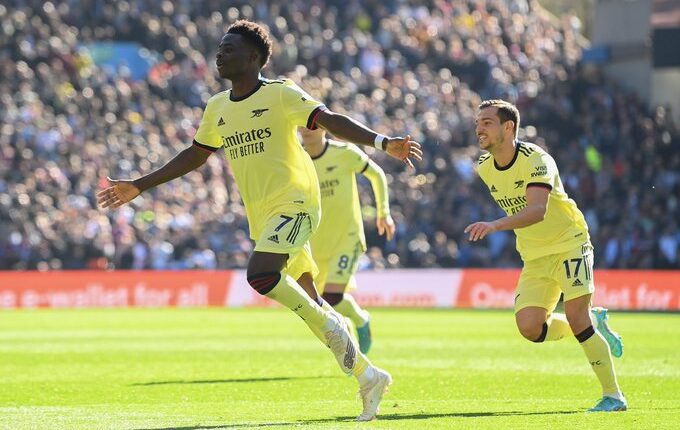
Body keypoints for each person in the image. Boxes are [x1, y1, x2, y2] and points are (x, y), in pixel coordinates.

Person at [97, 20, 422, 421]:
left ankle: (340, 330)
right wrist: (140, 185)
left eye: (229, 49)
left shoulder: (281, 93)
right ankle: (368, 375)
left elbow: (329, 119)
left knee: (261, 274)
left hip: (298, 203)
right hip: (263, 215)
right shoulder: (217, 107)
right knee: (312, 303)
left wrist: (382, 142)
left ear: (253, 57)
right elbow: (196, 155)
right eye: (219, 48)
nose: (220, 54)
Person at [464, 99, 626, 412]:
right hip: (534, 254)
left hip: (569, 243)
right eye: (478, 123)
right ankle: (595, 322)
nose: (479, 129)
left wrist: (495, 225)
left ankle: (614, 396)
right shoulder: (484, 166)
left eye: (487, 122)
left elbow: (537, 210)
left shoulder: (537, 159)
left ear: (508, 127)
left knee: (577, 318)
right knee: (530, 327)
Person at [300, 126, 395, 354]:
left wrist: (383, 212)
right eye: (302, 124)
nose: (307, 129)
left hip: (347, 238)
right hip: (314, 243)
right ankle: (351, 337)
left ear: (324, 128)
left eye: (313, 124)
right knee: (320, 303)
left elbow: (376, 174)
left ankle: (360, 319)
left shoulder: (344, 153)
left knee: (331, 296)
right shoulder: (297, 159)